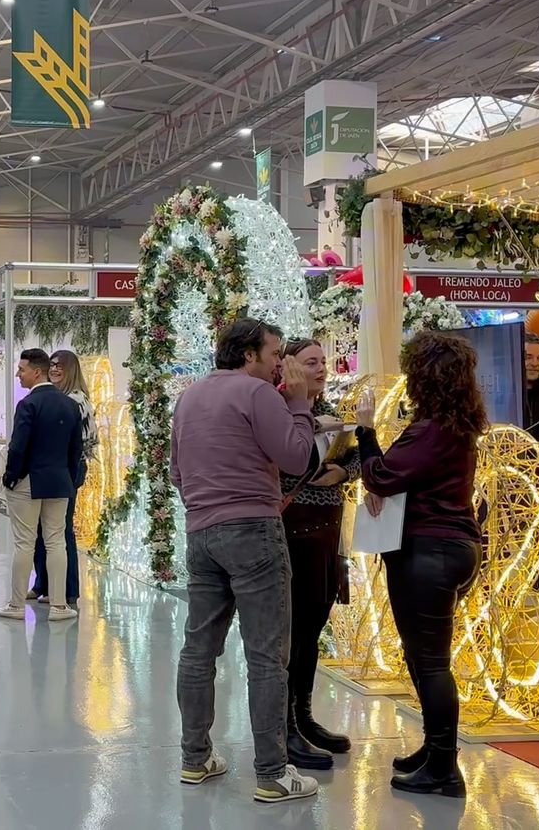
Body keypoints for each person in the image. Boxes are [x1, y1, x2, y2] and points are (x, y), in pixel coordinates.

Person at [171, 318, 319, 805]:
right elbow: (298, 458)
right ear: (250, 354)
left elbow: (176, 471)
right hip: (253, 530)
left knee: (199, 649)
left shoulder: (189, 397)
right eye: (276, 352)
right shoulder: (260, 395)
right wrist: (299, 405)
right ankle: (273, 773)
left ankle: (196, 758)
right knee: (266, 655)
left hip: (201, 532)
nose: (282, 363)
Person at [355, 331, 486, 799]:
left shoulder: (432, 429)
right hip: (449, 548)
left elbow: (384, 476)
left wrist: (366, 432)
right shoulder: (455, 424)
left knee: (430, 663)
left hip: (430, 552)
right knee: (422, 658)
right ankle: (434, 751)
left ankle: (444, 769)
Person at [277, 339, 357, 771]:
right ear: (289, 367)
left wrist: (346, 469)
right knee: (293, 630)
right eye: (311, 362)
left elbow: (365, 451)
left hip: (328, 534)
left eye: (323, 361)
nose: (321, 368)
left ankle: (304, 716)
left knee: (313, 628)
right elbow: (286, 464)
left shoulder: (337, 409)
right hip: (293, 533)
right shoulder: (282, 412)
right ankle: (285, 723)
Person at [0, 349, 83, 623]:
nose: (18, 374)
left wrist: (10, 476)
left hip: (28, 481)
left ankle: (16, 604)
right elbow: (75, 449)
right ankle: (59, 605)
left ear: (36, 372)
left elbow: (18, 446)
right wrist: (69, 478)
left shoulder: (28, 405)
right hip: (59, 481)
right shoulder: (70, 405)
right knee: (56, 542)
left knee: (25, 542)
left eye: (21, 370)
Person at [29, 349, 96, 607]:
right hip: (49, 467)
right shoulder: (53, 397)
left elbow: (88, 440)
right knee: (40, 528)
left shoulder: (77, 400)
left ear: (71, 370)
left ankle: (68, 591)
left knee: (61, 530)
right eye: (52, 365)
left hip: (68, 468)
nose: (55, 370)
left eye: (60, 366)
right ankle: (43, 584)